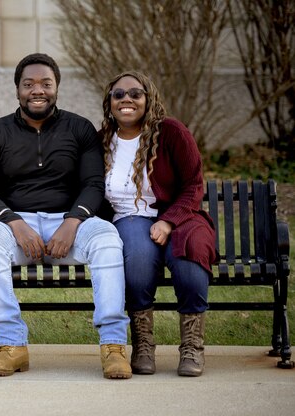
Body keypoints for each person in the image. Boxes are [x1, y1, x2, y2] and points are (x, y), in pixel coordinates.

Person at [0, 53, 132, 379]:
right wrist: (15, 223)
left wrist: (73, 222)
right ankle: (12, 344)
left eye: (46, 83)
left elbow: (93, 184)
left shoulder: (80, 129)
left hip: (69, 224)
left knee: (107, 239)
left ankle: (113, 346)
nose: (37, 90)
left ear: (57, 87)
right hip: (14, 224)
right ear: (17, 90)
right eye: (29, 84)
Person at [100, 70, 216, 377]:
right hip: (129, 217)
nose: (127, 99)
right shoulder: (103, 141)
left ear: (148, 99)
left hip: (180, 215)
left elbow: (193, 185)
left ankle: (192, 347)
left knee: (190, 263)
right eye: (118, 94)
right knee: (137, 265)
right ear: (109, 102)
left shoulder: (172, 132)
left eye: (135, 94)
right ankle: (144, 345)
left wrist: (168, 222)